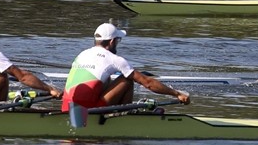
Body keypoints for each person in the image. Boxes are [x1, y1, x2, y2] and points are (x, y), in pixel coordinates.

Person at [61, 23, 190, 112]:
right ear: (112, 41)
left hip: (67, 108)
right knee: (127, 79)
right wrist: (177, 94)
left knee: (106, 81)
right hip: (88, 111)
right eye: (118, 40)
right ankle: (124, 115)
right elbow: (148, 83)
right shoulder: (114, 59)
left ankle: (115, 112)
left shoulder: (82, 54)